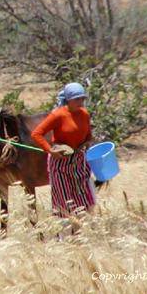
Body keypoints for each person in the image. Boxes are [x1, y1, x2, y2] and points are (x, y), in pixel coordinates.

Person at [30, 82, 96, 219]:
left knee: (82, 199)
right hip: (60, 163)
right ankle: (63, 235)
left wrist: (88, 142)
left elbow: (88, 135)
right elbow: (36, 134)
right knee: (64, 201)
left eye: (82, 98)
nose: (81, 102)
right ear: (68, 100)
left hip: (79, 162)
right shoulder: (58, 115)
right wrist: (50, 150)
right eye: (77, 99)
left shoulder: (84, 114)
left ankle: (79, 234)